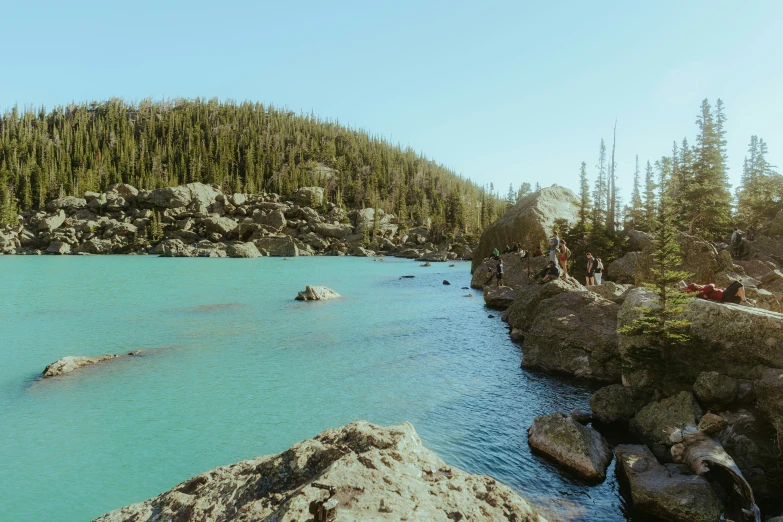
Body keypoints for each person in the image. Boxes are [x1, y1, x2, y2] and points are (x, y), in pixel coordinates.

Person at [680, 280, 756, 306]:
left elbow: (687, 289)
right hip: (724, 296)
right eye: (696, 285)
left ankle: (747, 300)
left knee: (736, 283)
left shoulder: (701, 290)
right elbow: (712, 285)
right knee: (739, 285)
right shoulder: (702, 290)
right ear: (694, 288)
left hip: (723, 293)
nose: (698, 285)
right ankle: (744, 301)